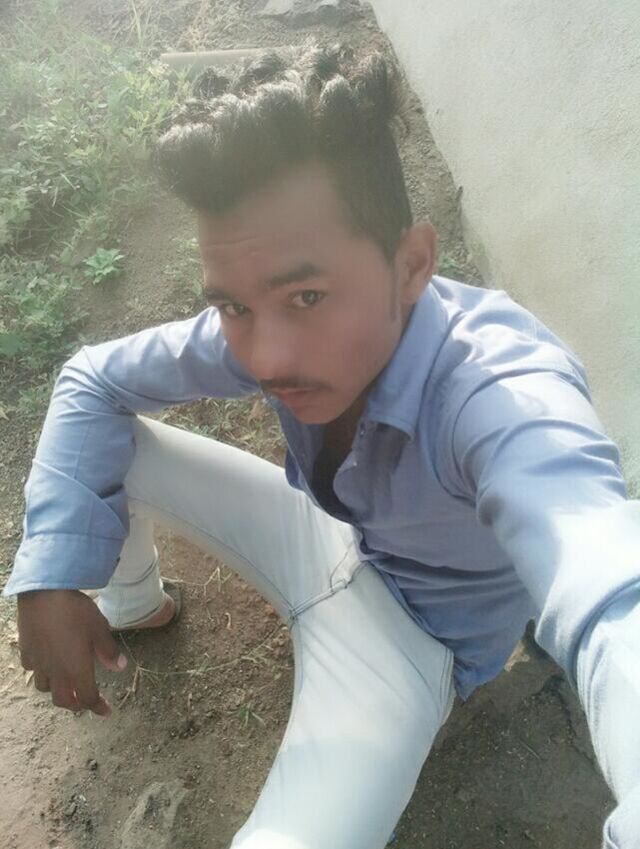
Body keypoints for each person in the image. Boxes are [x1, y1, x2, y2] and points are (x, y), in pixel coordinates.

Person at [5, 45, 639, 849]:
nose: (266, 359)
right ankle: (132, 602)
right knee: (105, 443)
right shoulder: (267, 323)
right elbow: (91, 380)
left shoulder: (500, 391)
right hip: (320, 532)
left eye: (307, 295)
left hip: (411, 649)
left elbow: (605, 576)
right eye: (234, 306)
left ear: (412, 264)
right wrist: (53, 572)